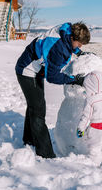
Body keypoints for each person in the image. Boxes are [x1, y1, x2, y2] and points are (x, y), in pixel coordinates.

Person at [15, 22, 90, 158]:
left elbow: (69, 46)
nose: (80, 47)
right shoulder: (58, 48)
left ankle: (29, 140)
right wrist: (73, 79)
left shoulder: (67, 32)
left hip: (36, 70)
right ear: (73, 37)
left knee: (34, 106)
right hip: (27, 70)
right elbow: (53, 76)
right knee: (38, 111)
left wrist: (80, 52)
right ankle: (45, 154)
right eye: (79, 44)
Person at [76, 70, 102, 168]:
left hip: (96, 127)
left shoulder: (90, 101)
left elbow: (86, 116)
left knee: (95, 148)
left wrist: (81, 129)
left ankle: (95, 166)